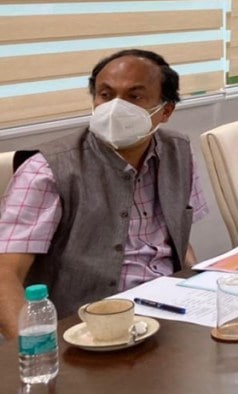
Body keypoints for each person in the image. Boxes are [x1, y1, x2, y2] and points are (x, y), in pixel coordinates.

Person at [0, 49, 208, 339]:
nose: (115, 107)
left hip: (168, 311)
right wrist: (37, 350)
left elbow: (178, 242)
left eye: (134, 96)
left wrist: (201, 290)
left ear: (166, 111)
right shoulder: (47, 170)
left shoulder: (179, 151)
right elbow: (5, 274)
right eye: (106, 95)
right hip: (86, 330)